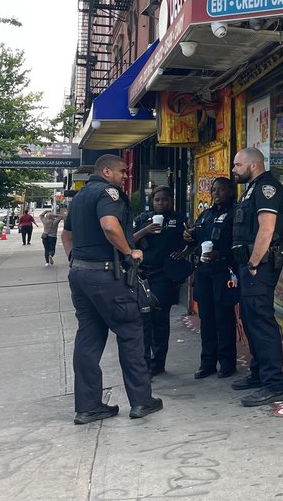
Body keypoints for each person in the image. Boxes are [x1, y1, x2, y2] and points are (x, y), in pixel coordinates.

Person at [61, 154, 162, 424]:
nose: (125, 175)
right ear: (106, 171)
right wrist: (130, 252)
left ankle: (88, 406)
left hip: (80, 275)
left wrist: (75, 259)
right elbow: (109, 225)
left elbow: (66, 234)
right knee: (130, 333)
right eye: (122, 171)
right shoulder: (109, 193)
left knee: (88, 338)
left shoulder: (81, 196)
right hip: (106, 275)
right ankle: (141, 401)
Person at [230, 147, 283, 407]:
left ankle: (274, 384)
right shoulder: (251, 189)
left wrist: (254, 264)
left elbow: (266, 230)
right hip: (249, 265)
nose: (233, 170)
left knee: (261, 321)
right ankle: (258, 373)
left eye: (237, 165)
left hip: (260, 265)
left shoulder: (268, 188)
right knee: (251, 319)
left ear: (253, 165)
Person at [184, 177, 238, 379]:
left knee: (223, 318)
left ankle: (227, 363)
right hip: (204, 272)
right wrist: (189, 236)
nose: (216, 193)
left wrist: (221, 254)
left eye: (221, 190)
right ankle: (207, 363)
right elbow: (195, 237)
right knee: (206, 318)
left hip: (223, 271)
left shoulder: (235, 214)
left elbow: (239, 244)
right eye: (213, 190)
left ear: (230, 191)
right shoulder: (205, 215)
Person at [133, 186, 187, 377]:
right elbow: (128, 241)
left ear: (171, 201)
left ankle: (158, 363)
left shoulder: (178, 220)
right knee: (142, 320)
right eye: (157, 200)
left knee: (160, 319)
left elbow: (189, 244)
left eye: (165, 200)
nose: (161, 203)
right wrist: (145, 231)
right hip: (143, 274)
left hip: (164, 275)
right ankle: (144, 362)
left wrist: (183, 251)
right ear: (152, 201)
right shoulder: (142, 220)